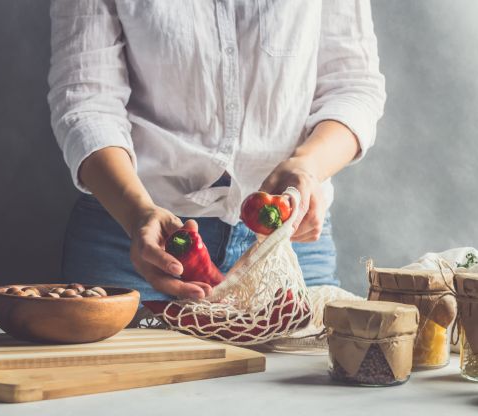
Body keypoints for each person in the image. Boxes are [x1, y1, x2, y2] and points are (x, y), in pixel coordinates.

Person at [48, 0, 386, 302]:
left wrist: (307, 166)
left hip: (288, 242)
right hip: (131, 240)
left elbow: (353, 85)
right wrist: (137, 213)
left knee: (296, 370)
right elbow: (85, 99)